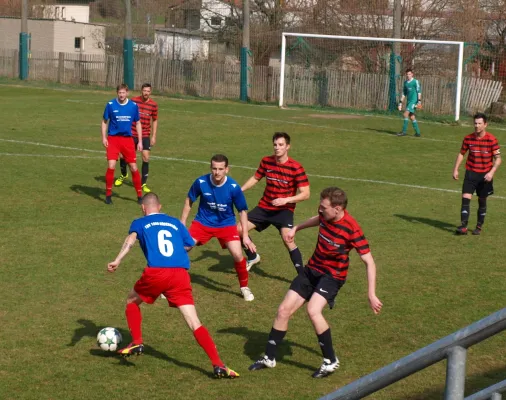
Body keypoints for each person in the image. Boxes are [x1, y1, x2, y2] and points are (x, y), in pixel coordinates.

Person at [248, 187, 383, 378]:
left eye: (324, 207)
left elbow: (369, 261)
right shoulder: (325, 216)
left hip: (332, 277)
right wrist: (296, 228)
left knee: (313, 310)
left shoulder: (352, 229)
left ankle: (330, 361)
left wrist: (371, 293)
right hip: (312, 270)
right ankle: (269, 358)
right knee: (283, 310)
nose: (320, 210)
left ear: (337, 209)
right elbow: (317, 218)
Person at [107, 192, 239, 379]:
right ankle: (219, 365)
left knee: (131, 300)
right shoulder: (175, 223)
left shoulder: (140, 222)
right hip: (180, 274)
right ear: (160, 207)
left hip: (157, 273)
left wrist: (117, 260)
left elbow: (130, 240)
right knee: (194, 322)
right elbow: (189, 245)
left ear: (143, 208)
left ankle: (136, 341)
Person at [180, 154, 256, 302]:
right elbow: (189, 200)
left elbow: (242, 211)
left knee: (237, 254)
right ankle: (169, 283)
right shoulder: (201, 182)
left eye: (221, 169)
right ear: (211, 168)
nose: (217, 172)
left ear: (227, 169)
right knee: (183, 248)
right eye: (214, 168)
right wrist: (182, 223)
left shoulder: (233, 187)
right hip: (203, 222)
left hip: (226, 224)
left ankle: (244, 287)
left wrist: (245, 235)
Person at [238, 132, 310, 274]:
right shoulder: (266, 161)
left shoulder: (296, 167)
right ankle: (253, 257)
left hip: (284, 210)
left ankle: (302, 276)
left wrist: (286, 200)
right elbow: (256, 177)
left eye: (281, 145)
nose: (277, 148)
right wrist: (240, 190)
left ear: (288, 147)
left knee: (287, 239)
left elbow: (306, 194)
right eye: (275, 145)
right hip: (265, 207)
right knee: (238, 230)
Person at [453, 113, 501, 235]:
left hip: (485, 176)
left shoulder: (492, 139)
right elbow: (461, 154)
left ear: (485, 124)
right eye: (475, 123)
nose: (477, 126)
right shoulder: (468, 138)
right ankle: (463, 226)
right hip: (470, 174)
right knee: (465, 199)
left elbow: (498, 159)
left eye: (479, 123)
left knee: (482, 201)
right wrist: (456, 169)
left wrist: (491, 172)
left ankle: (479, 226)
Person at [101, 83, 143, 205]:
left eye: (123, 93)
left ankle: (139, 195)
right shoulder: (110, 105)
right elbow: (104, 122)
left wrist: (140, 141)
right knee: (111, 165)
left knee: (133, 167)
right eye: (119, 93)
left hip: (127, 140)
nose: (121, 95)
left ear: (127, 93)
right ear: (117, 93)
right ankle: (108, 195)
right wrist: (104, 138)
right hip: (113, 139)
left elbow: (138, 123)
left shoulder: (133, 106)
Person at [115, 83, 158, 194]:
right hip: (131, 133)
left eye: (148, 91)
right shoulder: (133, 101)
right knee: (123, 155)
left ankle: (143, 183)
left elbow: (155, 120)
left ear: (150, 92)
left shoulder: (153, 105)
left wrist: (153, 136)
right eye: (144, 91)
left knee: (146, 157)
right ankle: (123, 174)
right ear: (141, 91)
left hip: (145, 135)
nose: (146, 93)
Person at [397, 68, 422, 137]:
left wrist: (419, 101)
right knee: (412, 116)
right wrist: (400, 103)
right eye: (407, 74)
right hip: (409, 101)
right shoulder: (405, 83)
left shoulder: (415, 81)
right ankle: (418, 133)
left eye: (409, 74)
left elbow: (419, 92)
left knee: (405, 114)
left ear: (412, 74)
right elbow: (404, 93)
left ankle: (403, 132)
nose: (408, 75)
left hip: (414, 101)